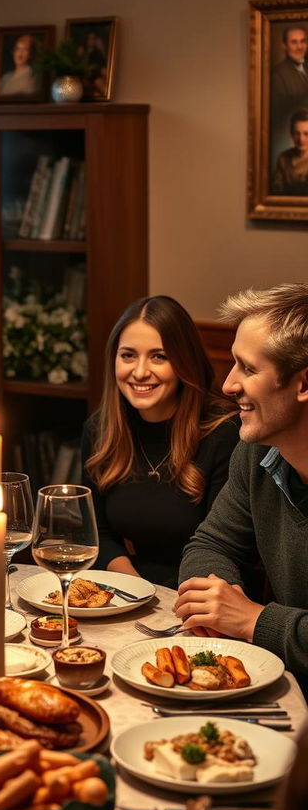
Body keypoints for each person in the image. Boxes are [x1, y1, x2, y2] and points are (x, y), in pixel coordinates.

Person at [176, 284, 308, 690]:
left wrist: (253, 620)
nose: (229, 385)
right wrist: (217, 601)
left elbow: (253, 621)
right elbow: (212, 545)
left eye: (248, 369)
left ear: (303, 384)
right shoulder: (256, 452)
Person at [81, 295, 239, 588]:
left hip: (206, 592)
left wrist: (158, 597)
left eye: (159, 356)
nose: (140, 372)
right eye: (128, 355)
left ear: (184, 362)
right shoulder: (101, 431)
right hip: (132, 590)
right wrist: (137, 588)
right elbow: (96, 532)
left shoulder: (224, 433)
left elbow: (224, 549)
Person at [271, 108, 308, 195]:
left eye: (306, 134)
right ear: (291, 134)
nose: (301, 139)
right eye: (296, 133)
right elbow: (276, 191)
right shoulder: (283, 158)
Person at [270, 26, 308, 107]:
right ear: (285, 46)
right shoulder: (278, 75)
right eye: (294, 42)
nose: (300, 47)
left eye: (303, 41)